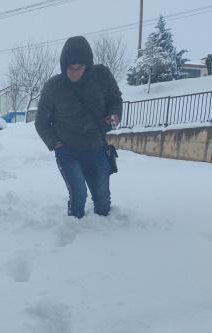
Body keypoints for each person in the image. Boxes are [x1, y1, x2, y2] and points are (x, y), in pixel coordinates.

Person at [35, 36, 123, 218]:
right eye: (70, 68)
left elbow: (115, 99)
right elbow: (41, 122)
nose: (74, 72)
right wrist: (55, 143)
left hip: (96, 147)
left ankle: (105, 231)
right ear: (63, 65)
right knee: (79, 194)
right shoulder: (53, 87)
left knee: (102, 196)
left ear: (87, 66)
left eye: (79, 68)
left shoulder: (101, 76)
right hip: (68, 151)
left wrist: (115, 115)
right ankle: (73, 233)